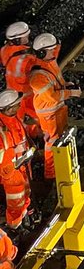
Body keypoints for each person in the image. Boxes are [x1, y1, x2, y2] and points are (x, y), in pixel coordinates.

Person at [29, 34, 80, 181]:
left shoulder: (49, 63)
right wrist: (71, 93)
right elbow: (51, 96)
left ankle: (63, 161)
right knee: (52, 142)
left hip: (57, 110)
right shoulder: (37, 76)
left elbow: (56, 83)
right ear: (41, 52)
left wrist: (65, 86)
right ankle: (51, 172)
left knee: (62, 137)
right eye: (51, 50)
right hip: (48, 114)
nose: (54, 53)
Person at [0, 90, 31, 233]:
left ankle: (24, 216)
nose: (19, 107)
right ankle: (14, 227)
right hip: (11, 172)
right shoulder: (2, 129)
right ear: (8, 108)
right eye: (16, 105)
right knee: (16, 199)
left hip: (21, 165)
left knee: (24, 194)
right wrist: (10, 172)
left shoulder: (12, 119)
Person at [0, 26, 35, 132]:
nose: (28, 37)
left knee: (18, 122)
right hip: (26, 94)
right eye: (25, 36)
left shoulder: (4, 50)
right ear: (17, 39)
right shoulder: (25, 57)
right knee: (34, 119)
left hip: (12, 93)